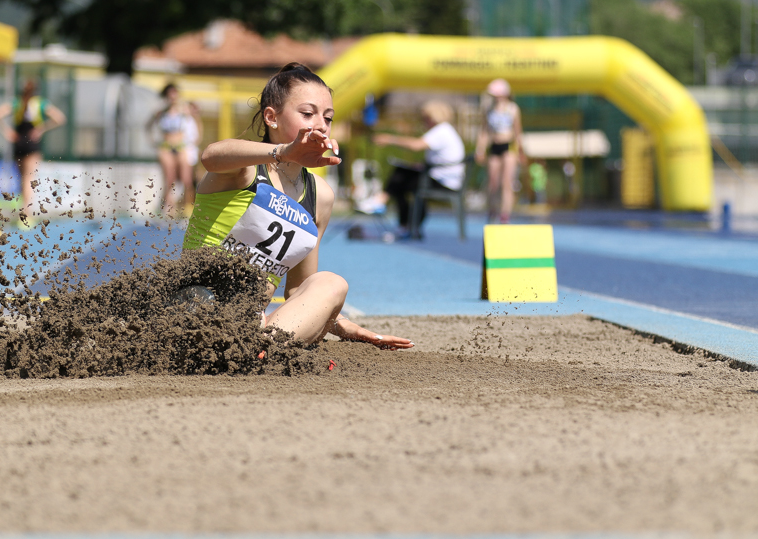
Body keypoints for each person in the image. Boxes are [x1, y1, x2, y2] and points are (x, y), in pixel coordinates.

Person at [183, 63, 413, 350]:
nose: (321, 125)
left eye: (328, 118)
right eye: (307, 113)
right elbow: (210, 156)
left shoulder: (320, 196)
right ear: (271, 117)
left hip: (250, 326)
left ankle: (258, 350)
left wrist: (346, 326)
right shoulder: (244, 168)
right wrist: (284, 152)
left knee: (331, 283)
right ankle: (238, 348)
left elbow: (298, 290)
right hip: (196, 306)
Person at [362, 100, 465, 238]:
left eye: (425, 118)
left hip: (445, 183)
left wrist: (389, 139)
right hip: (440, 178)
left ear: (433, 117)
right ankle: (408, 225)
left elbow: (416, 145)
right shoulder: (445, 130)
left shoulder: (441, 130)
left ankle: (383, 203)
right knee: (404, 179)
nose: (423, 122)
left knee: (401, 177)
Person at [0, 79, 66, 218]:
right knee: (29, 178)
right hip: (32, 143)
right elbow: (60, 118)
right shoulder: (41, 103)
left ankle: (23, 209)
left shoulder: (16, 102)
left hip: (19, 142)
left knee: (23, 178)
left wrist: (7, 131)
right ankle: (27, 212)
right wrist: (42, 128)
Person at [475, 78, 525, 223]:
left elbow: (517, 132)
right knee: (493, 182)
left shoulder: (513, 109)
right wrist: (480, 149)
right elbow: (484, 131)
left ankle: (505, 214)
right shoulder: (489, 110)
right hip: (494, 147)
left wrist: (520, 151)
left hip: (508, 146)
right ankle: (492, 210)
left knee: (507, 182)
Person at [148, 83, 198, 216]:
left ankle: (188, 208)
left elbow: (196, 125)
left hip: (181, 146)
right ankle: (168, 208)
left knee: (186, 179)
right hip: (166, 146)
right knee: (170, 179)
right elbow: (149, 126)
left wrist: (192, 143)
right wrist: (154, 142)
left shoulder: (183, 111)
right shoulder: (161, 112)